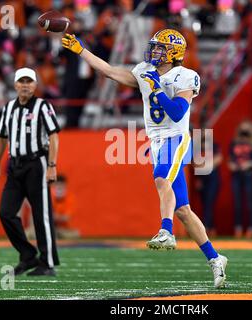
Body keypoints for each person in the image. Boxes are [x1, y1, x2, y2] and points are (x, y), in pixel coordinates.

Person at [62, 29, 228, 288]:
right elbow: (109, 70)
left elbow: (176, 112)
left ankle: (166, 231)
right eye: (154, 46)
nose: (154, 52)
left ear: (173, 53)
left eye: (160, 48)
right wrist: (81, 51)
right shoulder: (144, 71)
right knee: (183, 210)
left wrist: (156, 87)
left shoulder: (186, 76)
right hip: (157, 141)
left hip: (177, 137)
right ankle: (215, 259)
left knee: (161, 177)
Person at [0, 67, 60, 276]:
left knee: (41, 215)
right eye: (21, 81)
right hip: (15, 165)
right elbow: (2, 137)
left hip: (36, 163)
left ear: (35, 85)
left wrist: (51, 165)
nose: (25, 85)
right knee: (6, 213)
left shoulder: (42, 106)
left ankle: (47, 263)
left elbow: (54, 136)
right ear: (15, 84)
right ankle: (28, 255)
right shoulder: (9, 108)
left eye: (29, 81)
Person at [228, 120, 252, 238]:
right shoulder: (234, 143)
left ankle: (251, 228)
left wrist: (250, 164)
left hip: (249, 175)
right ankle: (238, 228)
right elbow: (229, 160)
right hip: (237, 175)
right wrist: (232, 166)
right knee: (237, 203)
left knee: (250, 203)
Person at [193, 131, 222, 237]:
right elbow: (195, 164)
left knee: (209, 203)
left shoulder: (213, 145)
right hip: (202, 178)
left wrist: (205, 166)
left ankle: (206, 228)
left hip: (213, 178)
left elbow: (219, 159)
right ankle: (210, 228)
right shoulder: (197, 146)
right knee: (205, 204)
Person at [51, 175, 80, 239]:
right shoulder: (48, 196)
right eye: (57, 186)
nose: (59, 188)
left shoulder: (70, 198)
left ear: (65, 186)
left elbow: (66, 218)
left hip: (63, 229)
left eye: (61, 187)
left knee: (76, 233)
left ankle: (56, 234)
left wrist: (54, 216)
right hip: (48, 227)